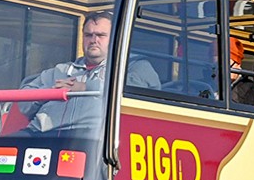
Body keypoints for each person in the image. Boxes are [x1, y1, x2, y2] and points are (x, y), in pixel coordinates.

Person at [18, 12, 159, 135]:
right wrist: (50, 92)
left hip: (92, 138)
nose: (93, 40)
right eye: (88, 35)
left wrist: (85, 88)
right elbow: (23, 104)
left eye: (101, 35)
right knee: (1, 149)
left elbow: (139, 93)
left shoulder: (135, 66)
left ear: (116, 38)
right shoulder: (60, 70)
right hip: (41, 133)